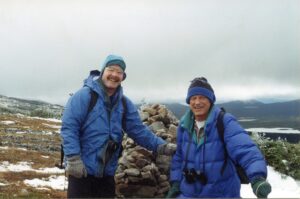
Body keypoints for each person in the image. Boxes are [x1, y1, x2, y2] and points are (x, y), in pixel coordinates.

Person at [60, 54, 176, 198]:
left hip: (106, 175)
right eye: (111, 70)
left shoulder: (124, 104)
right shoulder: (84, 96)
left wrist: (162, 146)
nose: (114, 75)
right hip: (81, 171)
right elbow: (69, 128)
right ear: (103, 71)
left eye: (119, 72)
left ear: (123, 77)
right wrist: (73, 159)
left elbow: (138, 131)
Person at [167, 77, 271, 198]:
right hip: (188, 194)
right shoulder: (184, 125)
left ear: (210, 100)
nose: (197, 102)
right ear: (189, 101)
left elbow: (245, 148)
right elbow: (179, 157)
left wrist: (257, 177)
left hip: (221, 194)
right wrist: (175, 183)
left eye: (202, 97)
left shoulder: (224, 121)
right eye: (193, 98)